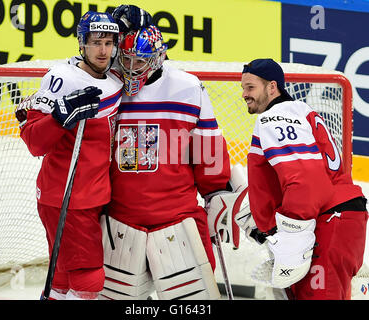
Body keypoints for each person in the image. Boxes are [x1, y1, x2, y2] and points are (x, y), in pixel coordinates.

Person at [96, 6, 248, 300]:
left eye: (139, 61)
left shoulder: (187, 87)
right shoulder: (107, 85)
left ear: (158, 57)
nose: (131, 67)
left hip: (177, 221)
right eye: (126, 59)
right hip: (119, 220)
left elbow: (208, 152)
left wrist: (217, 196)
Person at [15, 11, 123, 300]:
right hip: (67, 196)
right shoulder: (62, 78)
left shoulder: (114, 77)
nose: (103, 50)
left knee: (62, 275)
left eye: (109, 43)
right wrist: (60, 117)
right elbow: (35, 143)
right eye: (96, 42)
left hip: (88, 195)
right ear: (82, 43)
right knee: (89, 278)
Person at [240, 58, 368, 300]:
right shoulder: (300, 111)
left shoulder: (276, 116)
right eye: (243, 88)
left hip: (325, 221)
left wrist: (291, 234)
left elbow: (305, 181)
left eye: (251, 87)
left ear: (272, 87)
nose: (244, 94)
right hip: (335, 218)